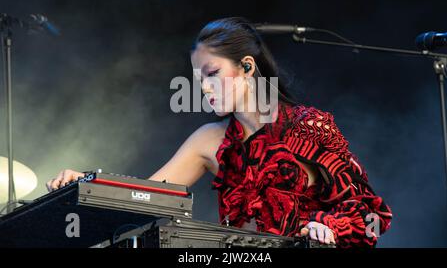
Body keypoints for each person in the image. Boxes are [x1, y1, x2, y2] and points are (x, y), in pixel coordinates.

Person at [46, 17, 392, 248]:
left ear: (247, 67)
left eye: (212, 74)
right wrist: (88, 183)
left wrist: (326, 226)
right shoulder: (209, 140)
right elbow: (144, 198)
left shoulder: (308, 125)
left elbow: (369, 212)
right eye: (199, 81)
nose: (205, 89)